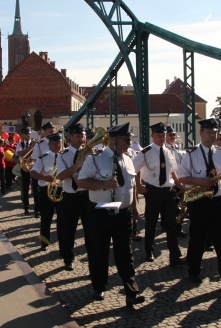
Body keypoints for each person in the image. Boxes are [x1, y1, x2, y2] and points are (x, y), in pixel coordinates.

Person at [77, 122, 145, 307]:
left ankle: (131, 292)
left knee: (126, 253)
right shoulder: (95, 158)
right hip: (101, 210)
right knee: (100, 251)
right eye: (127, 140)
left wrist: (135, 207)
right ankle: (99, 286)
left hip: (123, 213)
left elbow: (131, 186)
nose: (130, 144)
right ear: (114, 140)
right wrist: (102, 185)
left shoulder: (128, 159)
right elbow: (81, 182)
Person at [177, 118, 221, 292]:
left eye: (214, 133)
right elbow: (182, 178)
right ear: (201, 133)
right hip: (199, 202)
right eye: (208, 133)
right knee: (197, 238)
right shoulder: (190, 154)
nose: (212, 136)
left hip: (218, 201)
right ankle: (193, 270)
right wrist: (200, 181)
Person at [134, 122, 183, 267]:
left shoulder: (169, 152)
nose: (162, 138)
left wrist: (180, 186)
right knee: (151, 222)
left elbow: (173, 171)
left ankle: (175, 255)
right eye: (158, 135)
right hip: (153, 191)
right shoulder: (146, 152)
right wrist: (139, 186)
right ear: (152, 136)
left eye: (163, 135)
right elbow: (133, 170)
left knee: (171, 224)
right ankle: (149, 250)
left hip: (168, 191)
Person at [56, 123, 91, 271]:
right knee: (68, 230)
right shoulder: (63, 155)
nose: (81, 139)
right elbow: (61, 175)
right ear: (71, 137)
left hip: (87, 195)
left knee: (90, 229)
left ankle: (92, 256)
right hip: (70, 196)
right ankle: (68, 258)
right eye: (78, 136)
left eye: (82, 136)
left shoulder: (90, 153)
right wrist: (77, 165)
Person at [30, 132, 63, 251]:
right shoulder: (43, 157)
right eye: (54, 143)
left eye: (59, 143)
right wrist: (44, 178)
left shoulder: (65, 157)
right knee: (45, 219)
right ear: (49, 145)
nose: (57, 146)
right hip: (45, 191)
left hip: (60, 191)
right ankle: (44, 243)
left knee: (62, 220)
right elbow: (33, 172)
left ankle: (62, 245)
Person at [30, 122, 57, 218]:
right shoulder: (39, 144)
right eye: (50, 131)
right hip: (43, 173)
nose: (52, 133)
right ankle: (38, 210)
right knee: (38, 193)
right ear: (44, 132)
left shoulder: (58, 141)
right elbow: (35, 158)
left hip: (56, 179)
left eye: (53, 131)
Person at [165, 125, 187, 237]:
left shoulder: (176, 148)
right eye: (170, 135)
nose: (172, 137)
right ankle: (170, 227)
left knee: (180, 206)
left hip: (179, 181)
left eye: (174, 135)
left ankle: (178, 228)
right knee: (171, 208)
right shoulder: (164, 149)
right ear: (165, 136)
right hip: (171, 182)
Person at [15, 127, 35, 215]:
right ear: (23, 135)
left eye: (30, 134)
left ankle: (37, 209)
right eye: (27, 134)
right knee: (25, 188)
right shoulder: (20, 144)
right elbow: (19, 153)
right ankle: (26, 207)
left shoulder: (34, 143)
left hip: (34, 167)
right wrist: (31, 148)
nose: (29, 135)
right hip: (24, 168)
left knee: (35, 188)